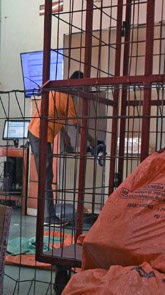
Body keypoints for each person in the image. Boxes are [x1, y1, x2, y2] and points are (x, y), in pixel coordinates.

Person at [27, 70, 96, 226]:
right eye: (82, 88)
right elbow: (77, 125)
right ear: (77, 85)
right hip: (39, 135)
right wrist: (91, 140)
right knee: (46, 176)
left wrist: (64, 135)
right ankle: (48, 217)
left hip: (37, 133)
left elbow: (53, 114)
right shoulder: (68, 98)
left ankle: (47, 215)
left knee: (46, 175)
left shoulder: (57, 91)